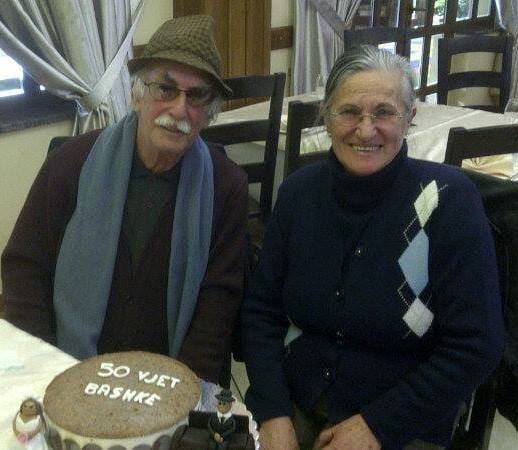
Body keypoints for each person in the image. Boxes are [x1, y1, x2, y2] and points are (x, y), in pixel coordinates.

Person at [241, 45, 504, 450]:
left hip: (407, 418)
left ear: (409, 117)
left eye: (384, 112)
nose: (366, 130)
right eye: (349, 112)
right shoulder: (298, 194)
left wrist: (378, 427)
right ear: (327, 117)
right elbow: (261, 312)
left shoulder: (447, 201)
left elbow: (477, 346)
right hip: (297, 401)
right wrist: (273, 412)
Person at [1, 15, 248, 386]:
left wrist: (178, 394)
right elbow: (25, 270)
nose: (179, 109)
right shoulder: (69, 165)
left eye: (196, 96)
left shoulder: (226, 188)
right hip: (69, 374)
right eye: (165, 88)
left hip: (172, 382)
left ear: (209, 113)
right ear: (137, 94)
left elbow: (218, 306)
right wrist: (47, 374)